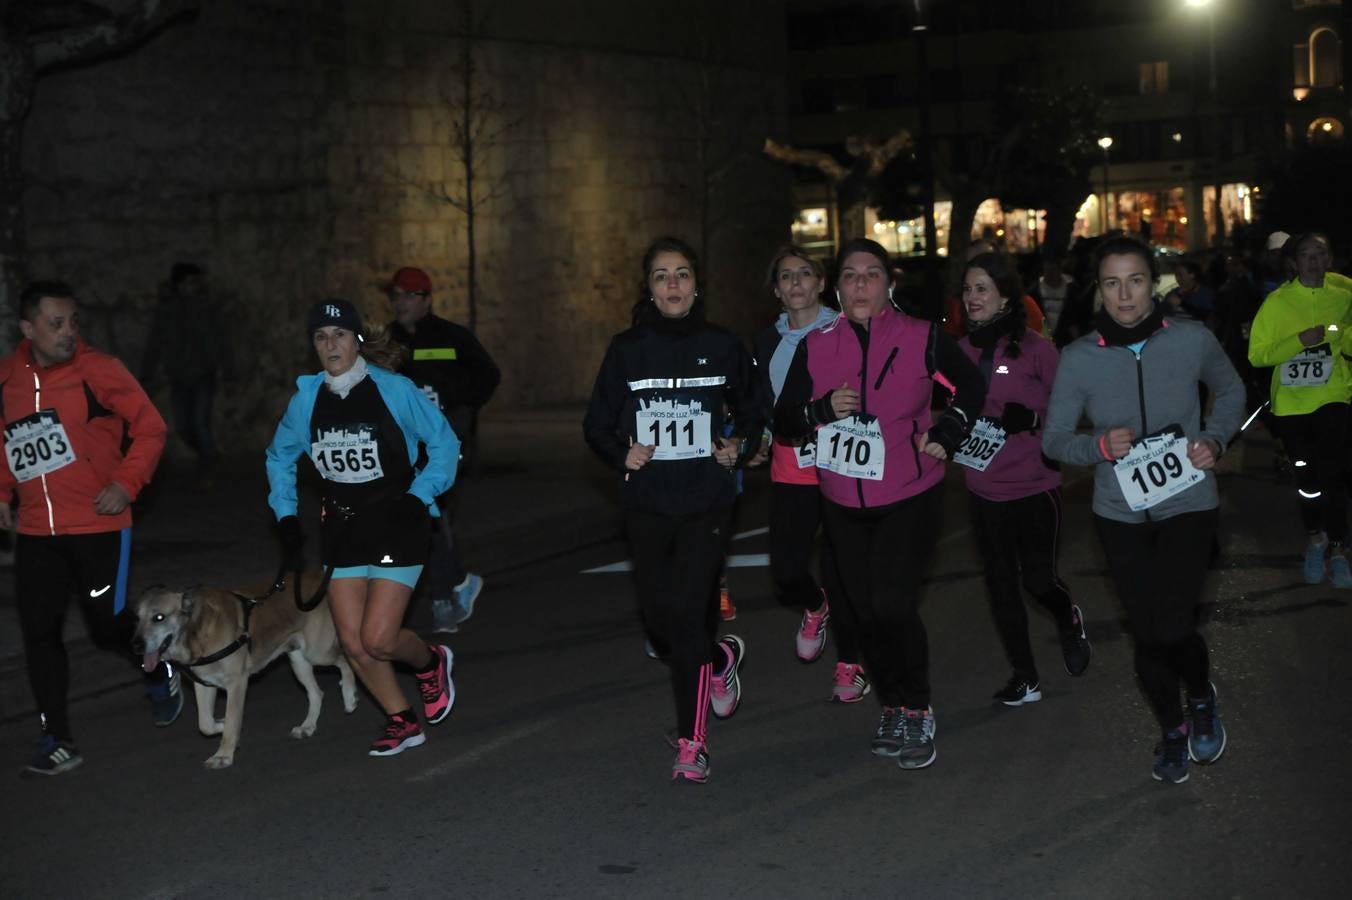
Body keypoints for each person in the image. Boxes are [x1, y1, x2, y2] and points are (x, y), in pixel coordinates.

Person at [775, 238, 986, 770]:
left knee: (893, 605)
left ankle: (918, 707)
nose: (861, 284)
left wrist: (950, 428)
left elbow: (971, 387)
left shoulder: (921, 337)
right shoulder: (817, 344)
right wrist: (819, 408)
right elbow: (784, 420)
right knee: (866, 613)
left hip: (909, 495)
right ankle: (891, 705)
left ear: (889, 284)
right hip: (842, 499)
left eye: (872, 274)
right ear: (838, 287)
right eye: (851, 275)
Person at [1043, 234, 1243, 784]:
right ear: (1099, 289)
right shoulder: (1079, 358)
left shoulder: (1191, 338)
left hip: (1188, 504)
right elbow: (1054, 439)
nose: (1124, 294)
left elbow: (1230, 391)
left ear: (1153, 283)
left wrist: (1217, 439)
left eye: (1135, 280)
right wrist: (1098, 448)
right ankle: (1172, 730)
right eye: (1112, 282)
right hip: (1120, 513)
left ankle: (1200, 694)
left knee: (1172, 625)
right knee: (1150, 633)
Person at [583, 237, 762, 784]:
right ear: (650, 289)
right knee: (662, 625)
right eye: (662, 277)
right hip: (647, 505)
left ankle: (693, 740)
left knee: (685, 616)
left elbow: (756, 406)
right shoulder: (627, 349)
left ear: (696, 285)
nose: (674, 285)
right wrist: (623, 452)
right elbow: (596, 424)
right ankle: (719, 658)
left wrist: (739, 444)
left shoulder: (723, 343)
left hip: (706, 502)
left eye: (682, 274)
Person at [266, 299, 460, 757]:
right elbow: (279, 458)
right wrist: (287, 517)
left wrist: (419, 496)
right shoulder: (306, 400)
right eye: (320, 336)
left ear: (356, 340)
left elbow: (445, 444)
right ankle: (402, 720)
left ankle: (431, 662)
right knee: (353, 643)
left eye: (338, 334)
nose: (330, 344)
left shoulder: (394, 391)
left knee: (379, 638)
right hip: (343, 529)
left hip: (397, 523)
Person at [1, 280, 172, 775]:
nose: (68, 332)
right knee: (40, 632)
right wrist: (2, 492)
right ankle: (56, 736)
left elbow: (151, 428)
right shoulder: (7, 378)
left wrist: (126, 483)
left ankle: (158, 668)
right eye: (56, 324)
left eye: (74, 322)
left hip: (98, 523)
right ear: (27, 327)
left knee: (106, 626)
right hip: (36, 531)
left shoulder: (100, 371)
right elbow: (6, 441)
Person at [955, 253, 1090, 707]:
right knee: (999, 584)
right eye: (968, 289)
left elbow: (1073, 410)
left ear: (1004, 297)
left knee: (1037, 580)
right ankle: (1025, 675)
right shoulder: (960, 353)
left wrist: (1033, 416)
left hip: (1034, 484)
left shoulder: (1036, 349)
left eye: (982, 289)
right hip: (983, 487)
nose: (972, 298)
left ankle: (1067, 617)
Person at [748, 245, 869, 702]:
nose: (796, 282)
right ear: (777, 290)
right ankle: (816, 607)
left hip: (841, 463)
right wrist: (757, 438)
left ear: (822, 283)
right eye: (786, 276)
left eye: (805, 274)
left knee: (845, 571)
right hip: (790, 465)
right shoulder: (766, 342)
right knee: (787, 569)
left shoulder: (847, 331)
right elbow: (762, 403)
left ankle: (849, 665)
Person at [386, 267, 500, 632]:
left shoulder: (453, 337)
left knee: (433, 520)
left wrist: (456, 408)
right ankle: (459, 584)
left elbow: (486, 376)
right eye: (396, 296)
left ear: (426, 299)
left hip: (444, 448)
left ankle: (441, 600)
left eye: (409, 295)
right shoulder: (385, 342)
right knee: (419, 523)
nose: (401, 303)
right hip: (402, 451)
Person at [1247, 233, 1352, 587]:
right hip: (1292, 407)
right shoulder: (1276, 303)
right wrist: (1298, 342)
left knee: (1335, 477)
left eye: (1320, 254)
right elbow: (1258, 354)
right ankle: (1315, 538)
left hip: (1333, 397)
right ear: (1293, 262)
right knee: (1307, 480)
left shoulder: (1343, 297)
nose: (1313, 261)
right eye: (1306, 255)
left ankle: (1338, 551)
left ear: (1329, 259)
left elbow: (1347, 336)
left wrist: (1337, 333)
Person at [140, 262, 235, 486]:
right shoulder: (166, 312)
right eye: (191, 282)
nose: (196, 287)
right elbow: (155, 343)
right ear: (180, 285)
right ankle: (208, 456)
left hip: (203, 375)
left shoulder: (207, 309)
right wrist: (147, 373)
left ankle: (208, 466)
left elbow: (221, 342)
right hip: (179, 377)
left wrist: (229, 371)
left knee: (200, 422)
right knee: (183, 426)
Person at [1163, 258, 1216, 327]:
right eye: (1176, 275)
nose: (1177, 279)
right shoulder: (1172, 293)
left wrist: (1181, 304)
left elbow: (1206, 316)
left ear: (1192, 275)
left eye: (1180, 275)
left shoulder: (1205, 293)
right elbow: (1162, 316)